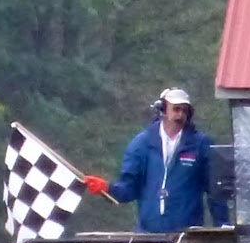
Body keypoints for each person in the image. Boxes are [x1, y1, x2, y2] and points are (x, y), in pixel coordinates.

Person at [83, 87, 230, 233]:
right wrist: (107, 188)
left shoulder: (201, 144)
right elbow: (129, 188)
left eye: (185, 111)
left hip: (187, 236)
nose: (180, 115)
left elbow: (215, 189)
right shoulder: (142, 143)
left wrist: (222, 224)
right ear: (163, 109)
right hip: (148, 235)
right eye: (176, 109)